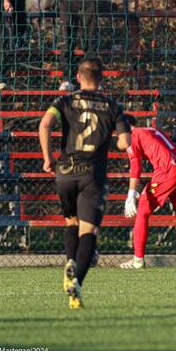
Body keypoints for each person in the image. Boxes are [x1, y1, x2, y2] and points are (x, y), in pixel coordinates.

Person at [39, 57, 131, 309]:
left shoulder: (64, 101)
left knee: (71, 222)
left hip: (66, 172)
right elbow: (125, 144)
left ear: (78, 77)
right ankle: (76, 280)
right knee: (88, 231)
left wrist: (47, 158)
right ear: (102, 78)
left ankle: (70, 260)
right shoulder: (112, 105)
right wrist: (111, 140)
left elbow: (45, 123)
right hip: (93, 174)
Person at [119, 115, 176, 270]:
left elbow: (135, 166)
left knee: (142, 210)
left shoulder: (132, 136)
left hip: (168, 171)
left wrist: (130, 193)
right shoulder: (151, 130)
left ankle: (138, 260)